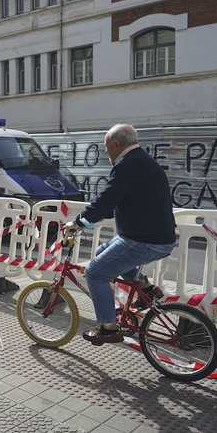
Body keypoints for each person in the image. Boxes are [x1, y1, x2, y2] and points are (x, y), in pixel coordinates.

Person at [65, 124, 176, 346]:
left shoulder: (128, 165)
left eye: (107, 147)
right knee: (101, 251)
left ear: (116, 144)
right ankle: (146, 288)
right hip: (156, 237)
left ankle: (108, 328)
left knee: (95, 273)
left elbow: (107, 199)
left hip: (143, 241)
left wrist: (78, 222)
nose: (106, 152)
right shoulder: (143, 160)